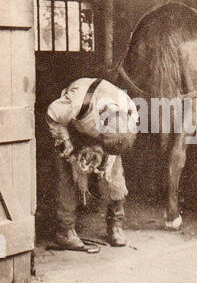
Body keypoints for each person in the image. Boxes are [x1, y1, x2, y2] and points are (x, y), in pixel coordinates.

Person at [46, 77, 138, 251]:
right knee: (69, 171)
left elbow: (114, 146)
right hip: (70, 126)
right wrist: (66, 143)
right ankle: (65, 230)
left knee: (114, 173)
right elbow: (52, 115)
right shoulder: (77, 101)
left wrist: (107, 161)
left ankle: (115, 225)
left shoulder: (129, 112)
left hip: (106, 138)